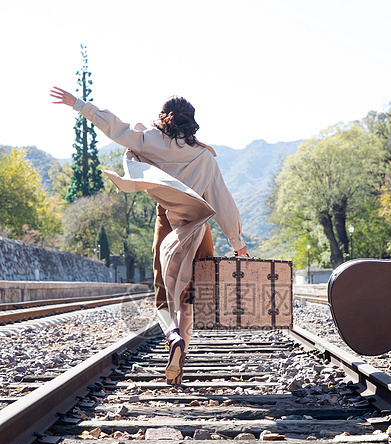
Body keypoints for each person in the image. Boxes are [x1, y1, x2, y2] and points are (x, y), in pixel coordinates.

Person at [50, 86, 248, 385]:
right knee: (190, 300)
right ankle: (183, 350)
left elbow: (115, 128)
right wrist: (238, 244)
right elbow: (222, 201)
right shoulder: (205, 158)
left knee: (164, 296)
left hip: (168, 224)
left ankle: (172, 337)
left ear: (164, 118)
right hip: (199, 229)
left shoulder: (150, 142)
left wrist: (78, 104)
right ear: (191, 122)